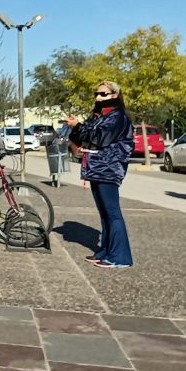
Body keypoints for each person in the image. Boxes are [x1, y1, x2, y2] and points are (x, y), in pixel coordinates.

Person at [65, 81, 134, 269]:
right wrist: (75, 128)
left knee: (113, 212)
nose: (98, 97)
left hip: (110, 168)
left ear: (114, 95)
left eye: (103, 94)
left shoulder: (118, 117)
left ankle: (120, 256)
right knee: (104, 213)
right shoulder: (98, 116)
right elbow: (83, 136)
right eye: (97, 93)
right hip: (96, 168)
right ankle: (106, 250)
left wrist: (80, 126)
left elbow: (100, 138)